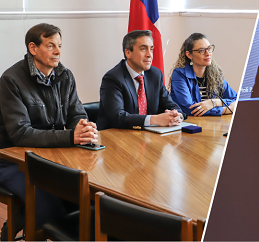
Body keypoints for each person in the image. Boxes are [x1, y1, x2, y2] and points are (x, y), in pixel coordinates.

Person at [0, 23, 98, 239]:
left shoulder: (64, 74)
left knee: (85, 196)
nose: (57, 52)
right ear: (33, 48)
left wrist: (81, 126)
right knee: (50, 206)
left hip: (51, 154)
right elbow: (21, 134)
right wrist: (71, 136)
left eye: (60, 46)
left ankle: (19, 218)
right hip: (13, 159)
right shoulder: (11, 80)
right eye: (51, 45)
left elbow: (76, 113)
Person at [97, 30, 183, 130]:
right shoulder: (113, 78)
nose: (149, 55)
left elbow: (171, 105)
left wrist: (176, 115)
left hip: (149, 135)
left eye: (151, 49)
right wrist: (155, 120)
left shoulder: (155, 74)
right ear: (128, 53)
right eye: (143, 49)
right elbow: (117, 117)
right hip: (117, 137)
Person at [168, 33, 237, 117]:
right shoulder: (179, 74)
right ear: (189, 55)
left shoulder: (215, 74)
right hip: (189, 124)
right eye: (201, 50)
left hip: (213, 123)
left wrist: (214, 102)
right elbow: (190, 108)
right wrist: (225, 110)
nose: (208, 53)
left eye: (209, 49)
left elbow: (235, 99)